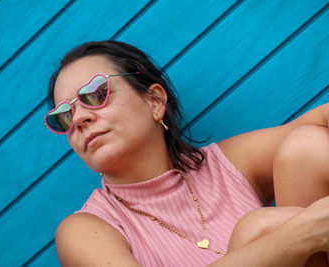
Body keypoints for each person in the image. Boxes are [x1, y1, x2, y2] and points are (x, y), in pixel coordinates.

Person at [44, 40, 329, 266]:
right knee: (258, 228)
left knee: (305, 146)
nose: (80, 118)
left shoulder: (223, 166)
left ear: (155, 101)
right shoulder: (84, 230)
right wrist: (302, 233)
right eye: (64, 116)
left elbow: (318, 124)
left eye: (95, 94)